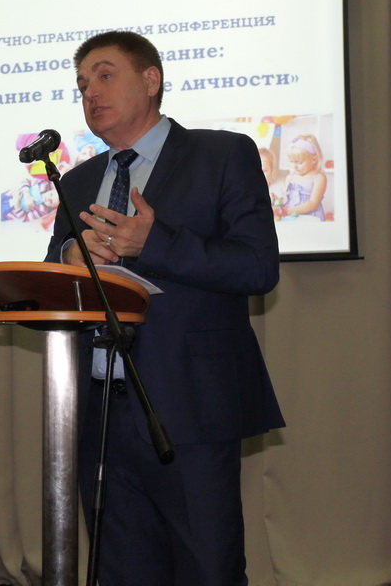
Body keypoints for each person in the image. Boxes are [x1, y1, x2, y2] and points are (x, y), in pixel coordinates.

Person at [44, 30, 282, 586]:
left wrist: (156, 243)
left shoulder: (222, 155)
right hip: (99, 411)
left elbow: (257, 268)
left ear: (151, 80)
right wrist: (69, 257)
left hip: (189, 406)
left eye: (105, 76)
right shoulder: (77, 181)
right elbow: (54, 284)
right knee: (120, 572)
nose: (90, 92)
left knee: (208, 570)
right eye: (82, 84)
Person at [281, 134, 328, 220]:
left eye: (299, 162)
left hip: (310, 217)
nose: (294, 166)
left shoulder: (318, 178)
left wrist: (288, 211)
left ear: (314, 159)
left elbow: (313, 203)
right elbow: (285, 198)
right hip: (291, 217)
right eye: (291, 162)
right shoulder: (290, 177)